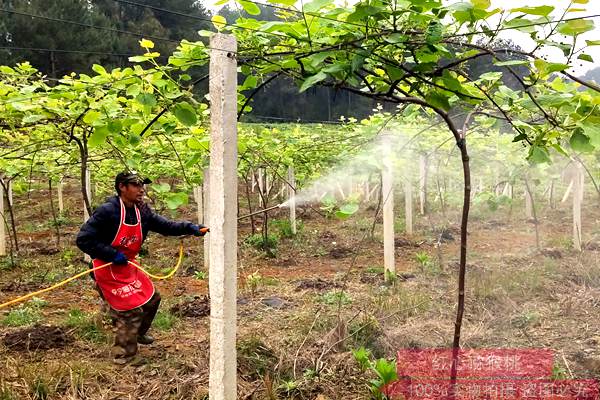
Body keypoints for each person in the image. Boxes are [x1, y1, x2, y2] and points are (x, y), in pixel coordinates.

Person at [76, 171, 207, 364]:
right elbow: (83, 239)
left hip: (127, 265)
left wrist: (190, 228)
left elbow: (166, 226)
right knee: (129, 311)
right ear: (122, 187)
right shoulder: (108, 211)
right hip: (106, 267)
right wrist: (111, 255)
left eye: (142, 185)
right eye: (136, 185)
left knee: (152, 299)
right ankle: (124, 356)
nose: (141, 189)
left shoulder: (141, 211)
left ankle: (136, 334)